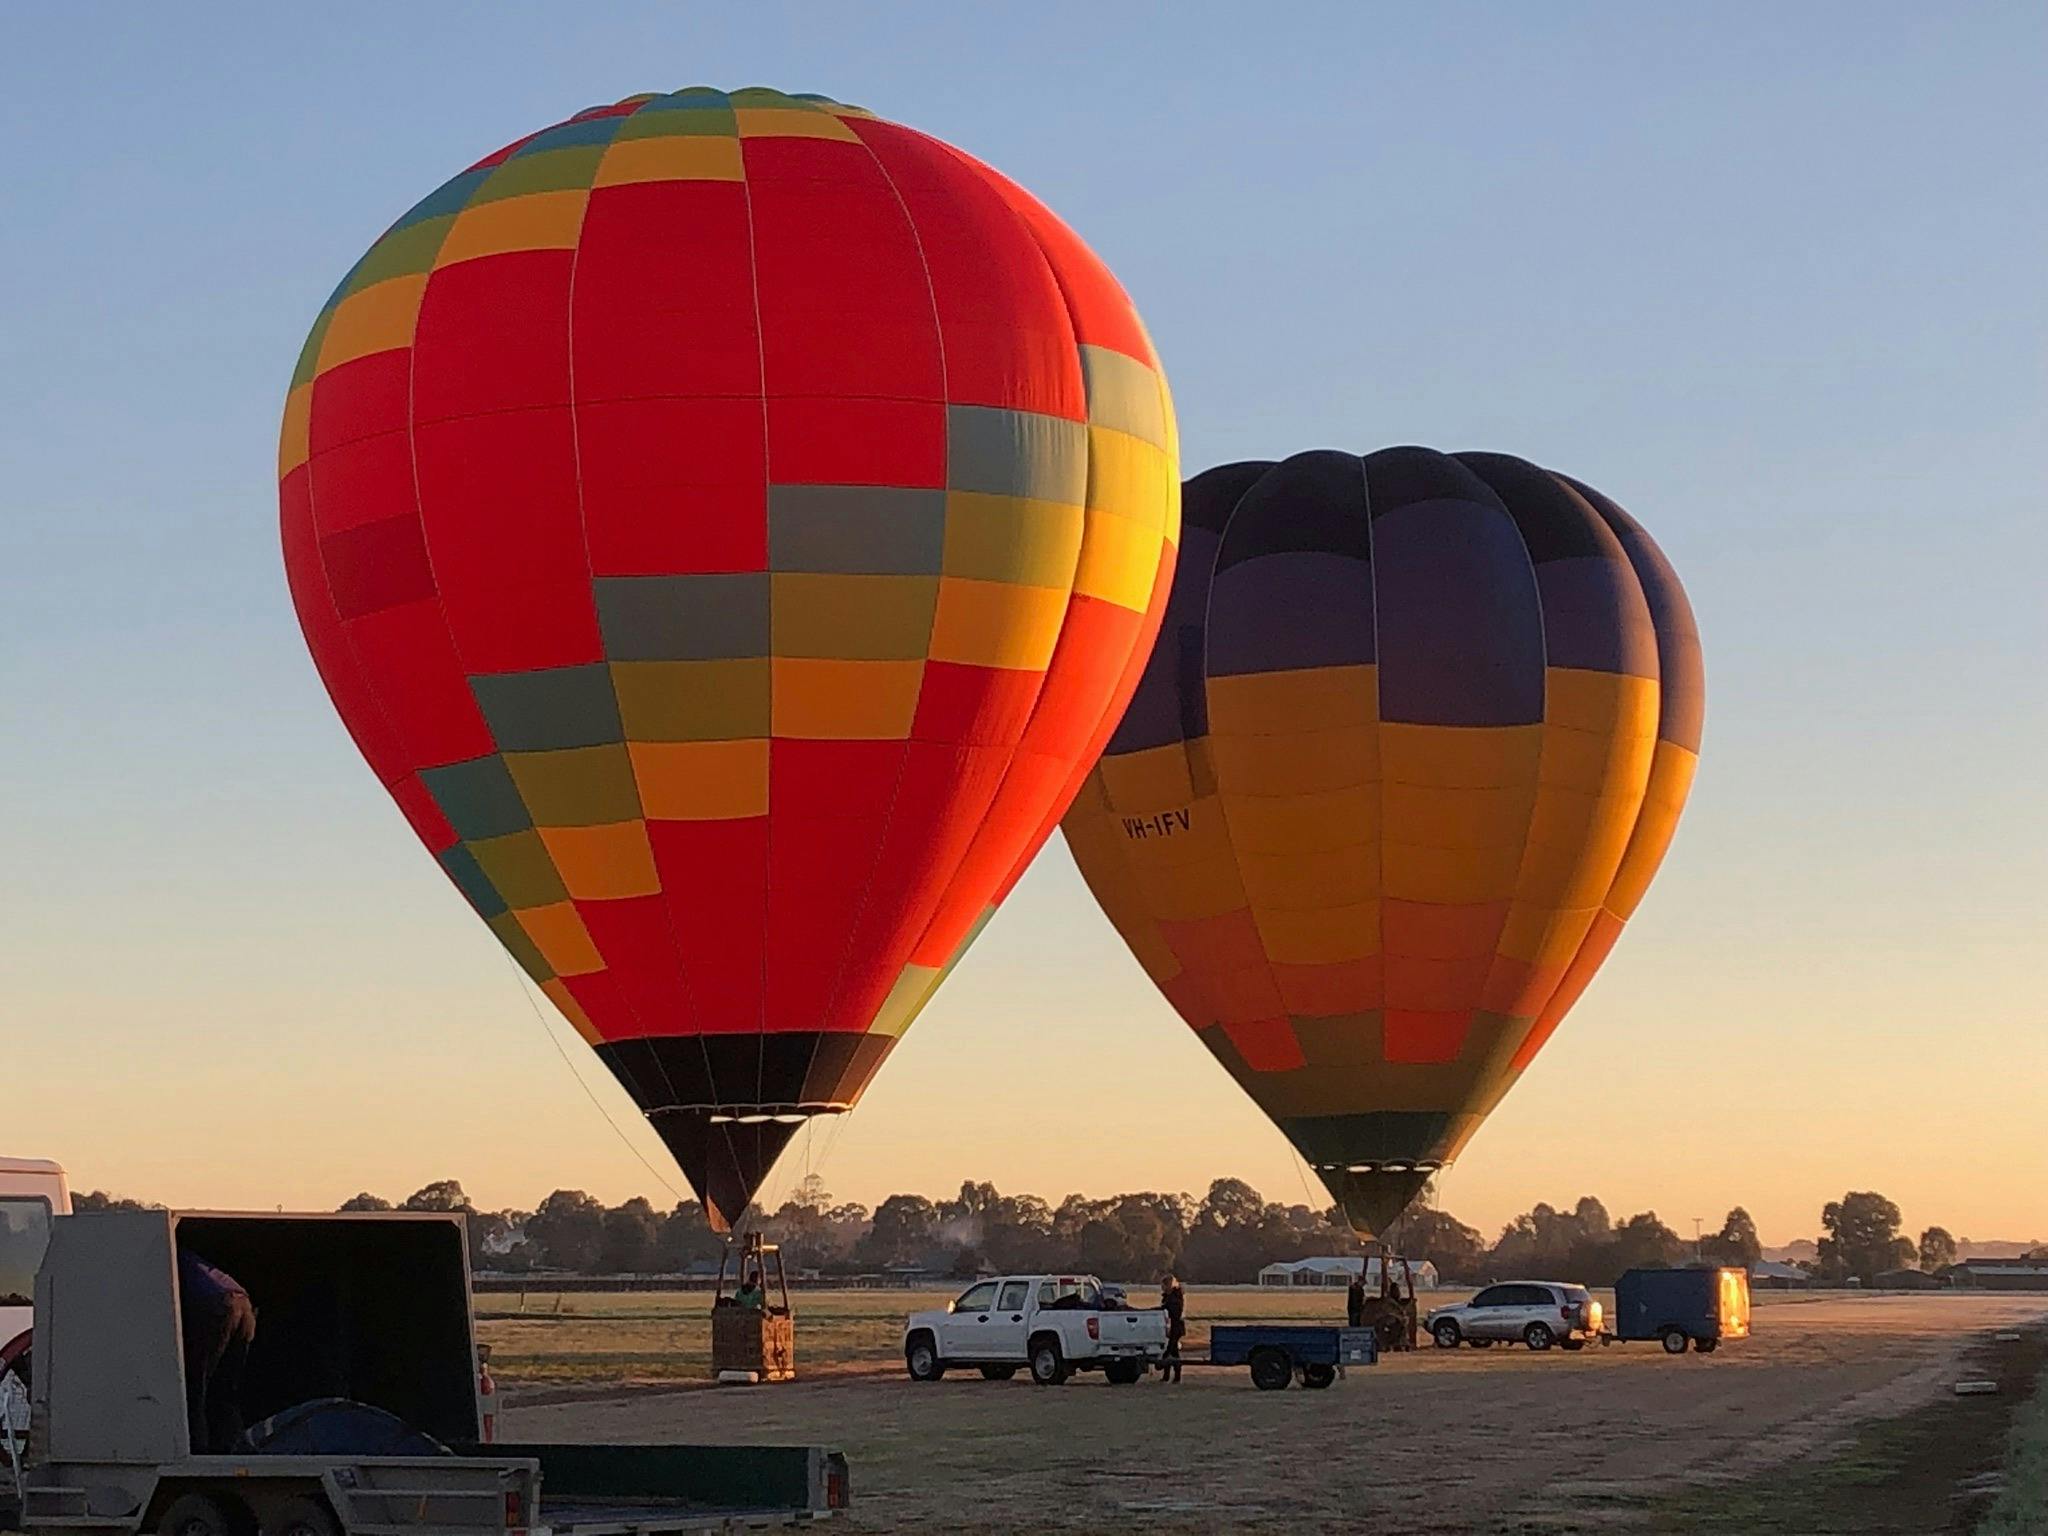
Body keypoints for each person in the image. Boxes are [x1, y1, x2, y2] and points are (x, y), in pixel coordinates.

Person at [178, 1248, 256, 1454]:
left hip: (217, 1304)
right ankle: (236, 1445)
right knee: (227, 1386)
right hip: (242, 1302)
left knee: (196, 1385)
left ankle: (198, 1447)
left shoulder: (164, 1256)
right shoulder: (189, 1259)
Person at [1158, 1273, 1185, 1383]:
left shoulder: (1174, 1298)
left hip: (1175, 1327)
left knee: (1172, 1351)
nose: (1162, 1288)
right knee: (1171, 1351)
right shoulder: (1171, 1296)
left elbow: (1173, 1313)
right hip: (1171, 1327)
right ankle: (1168, 1375)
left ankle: (1175, 1376)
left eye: (1163, 1285)